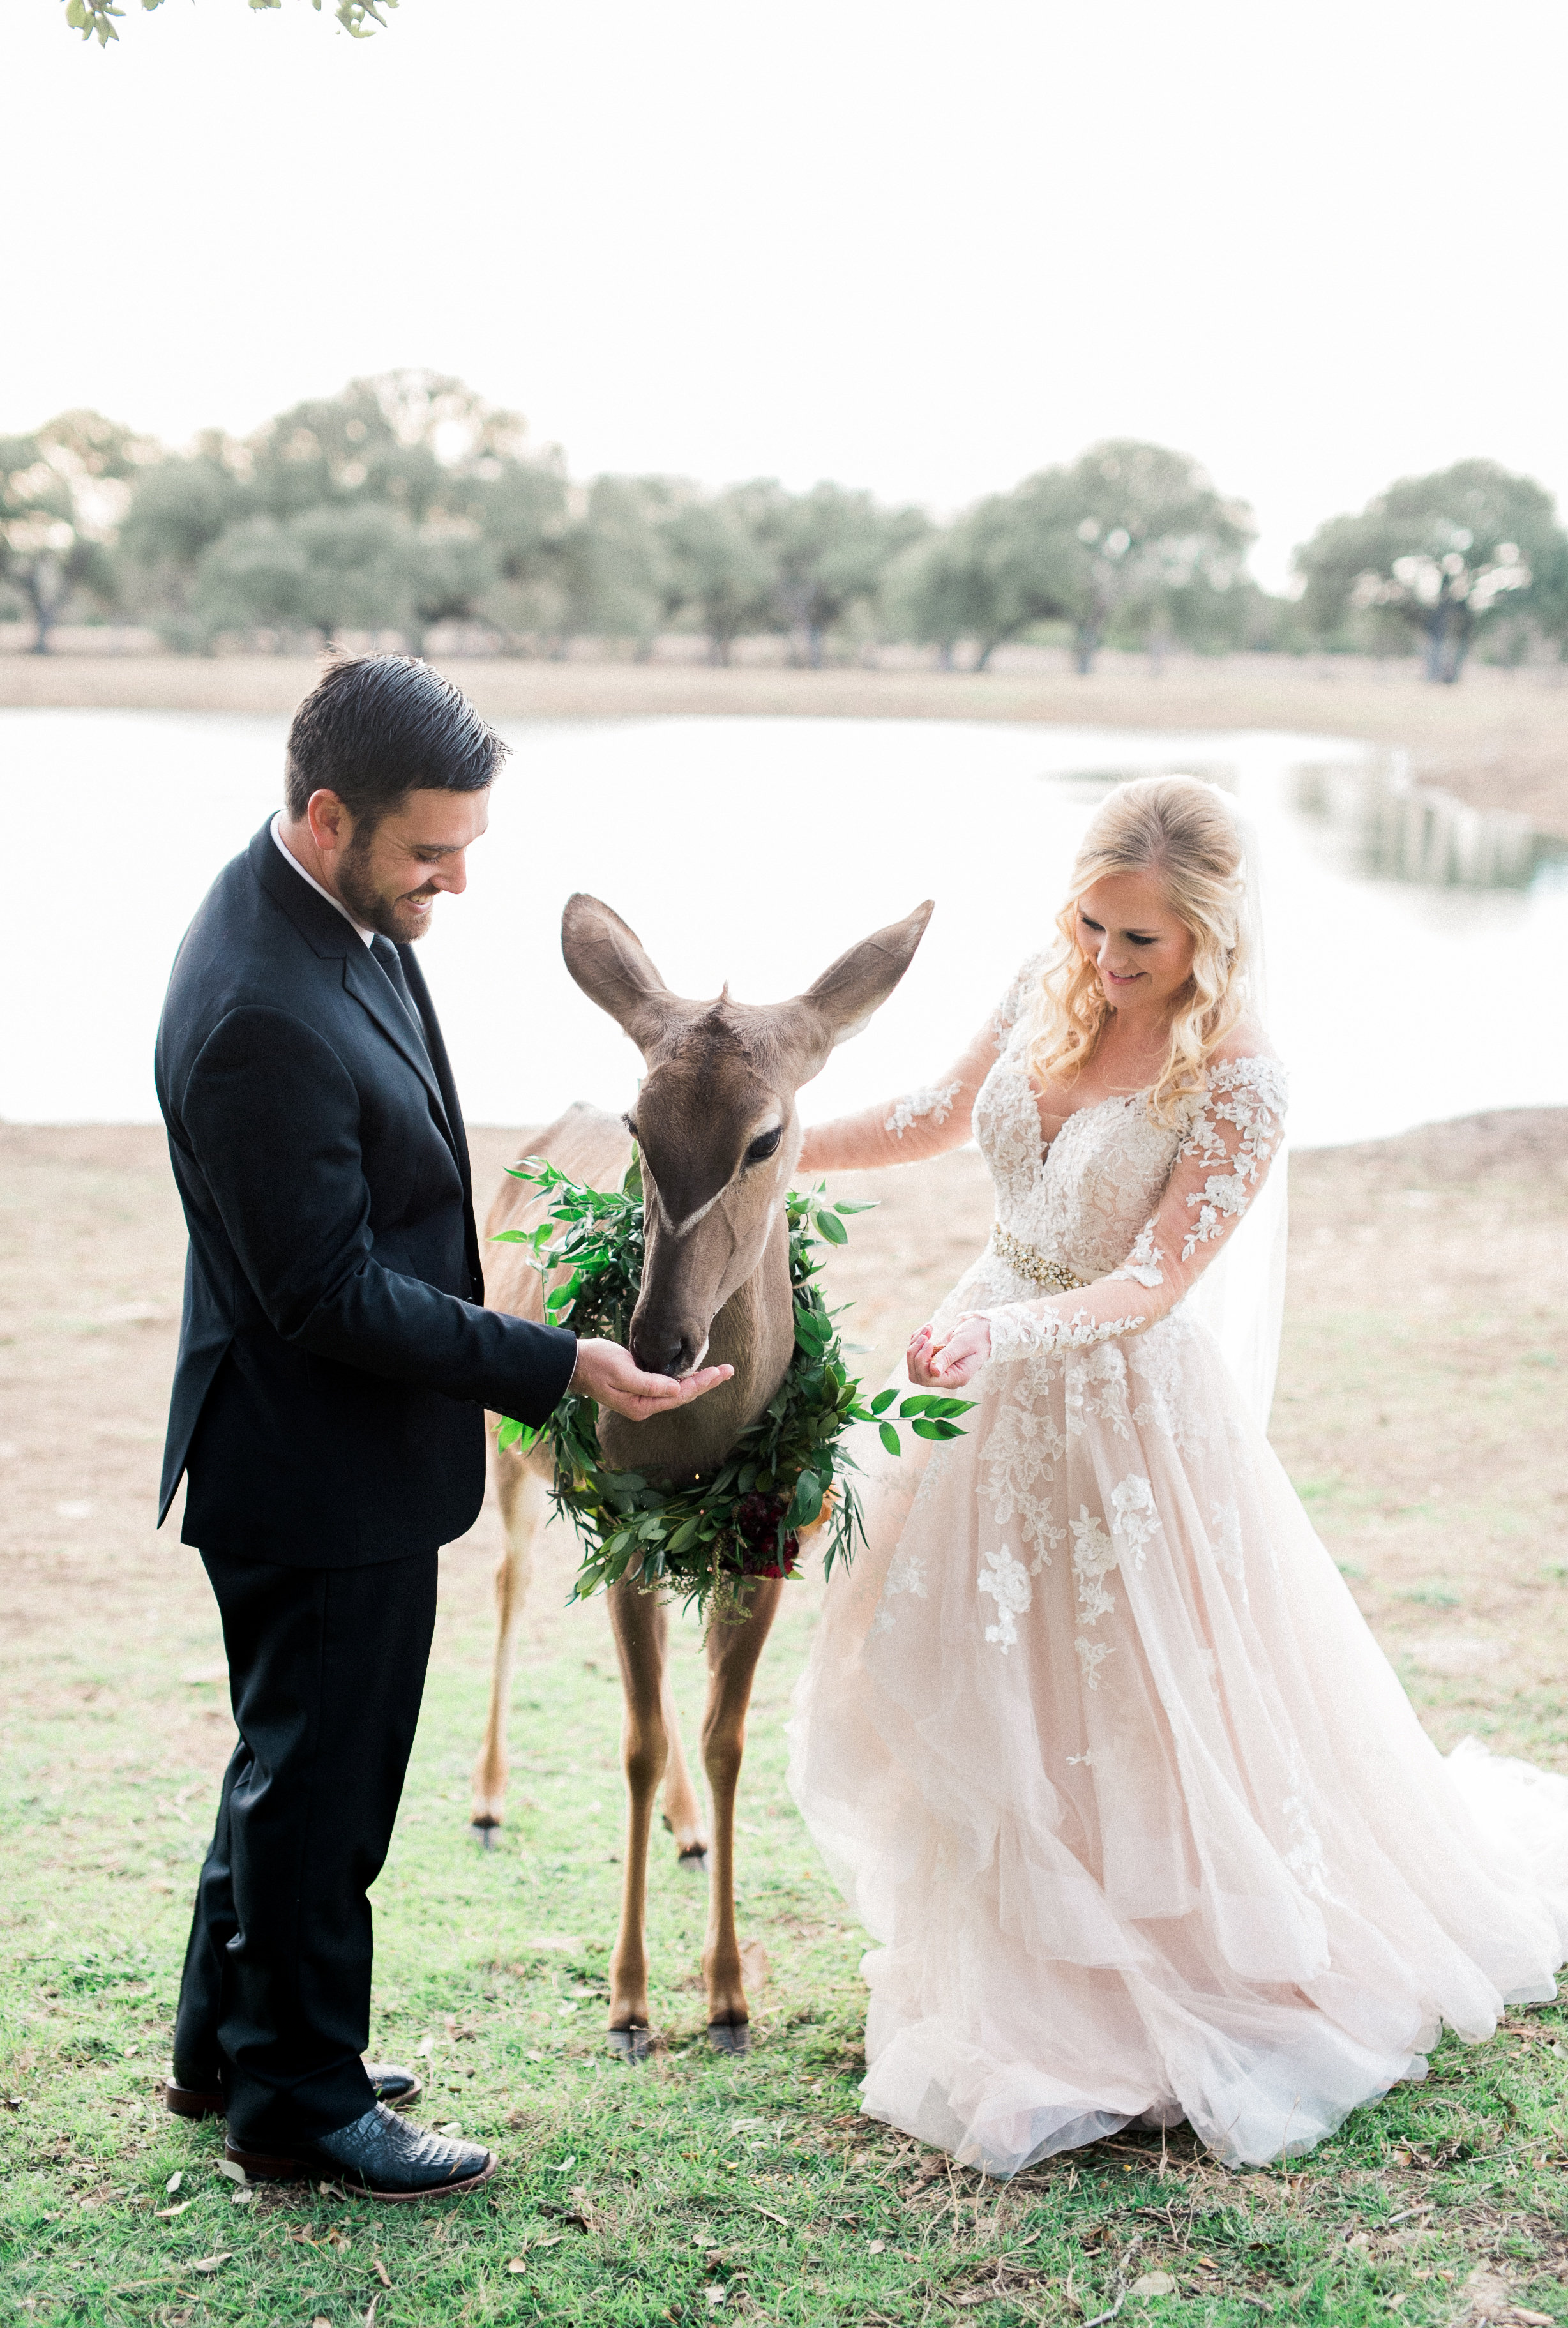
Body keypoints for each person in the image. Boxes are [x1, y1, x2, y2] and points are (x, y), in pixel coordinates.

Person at [787, 774, 1568, 2173]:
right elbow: (927, 1112)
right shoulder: (1051, 976)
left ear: (1210, 937)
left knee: (1127, 1688)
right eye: (1091, 923)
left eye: (1138, 942)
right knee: (976, 1669)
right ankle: (1010, 1936)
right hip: (978, 1364)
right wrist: (764, 1145)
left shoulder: (1241, 1078)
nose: (1103, 960)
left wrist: (996, 1330)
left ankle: (1143, 1975)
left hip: (1110, 1403)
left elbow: (1152, 1283)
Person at [155, 652, 728, 2199]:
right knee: (324, 1789)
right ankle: (300, 2103)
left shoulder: (330, 908)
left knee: (286, 1758)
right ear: (329, 814)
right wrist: (558, 1360)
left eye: (469, 845)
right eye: (430, 850)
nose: (458, 882)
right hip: (311, 1456)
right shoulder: (256, 1009)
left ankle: (230, 2041)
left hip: (338, 1443)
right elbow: (326, 1294)